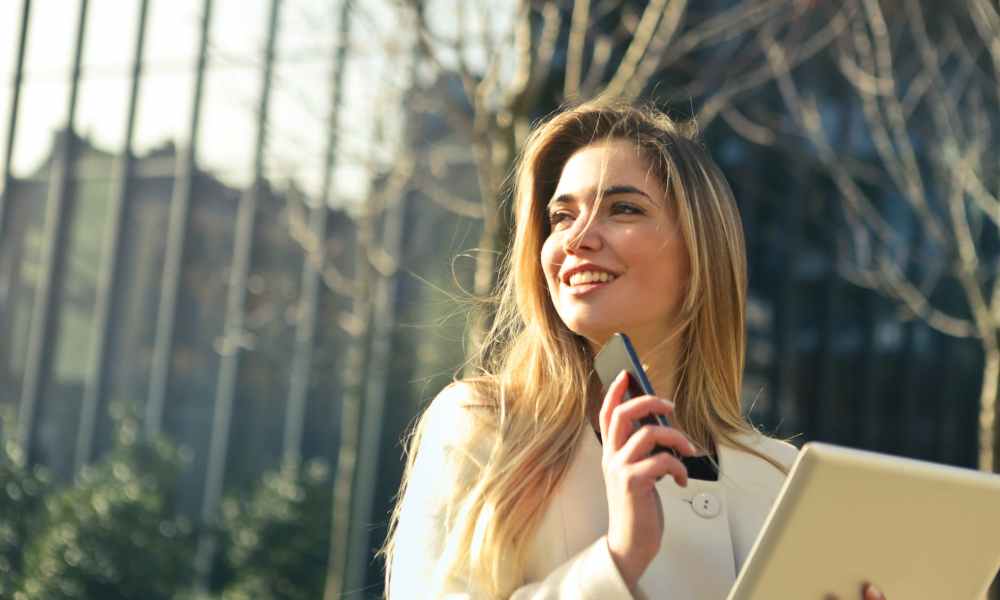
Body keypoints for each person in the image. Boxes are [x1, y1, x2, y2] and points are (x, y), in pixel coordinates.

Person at [380, 100, 886, 600]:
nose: (576, 238)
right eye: (561, 215)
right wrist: (618, 559)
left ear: (700, 253)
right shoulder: (485, 426)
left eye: (623, 208)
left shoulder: (780, 476)